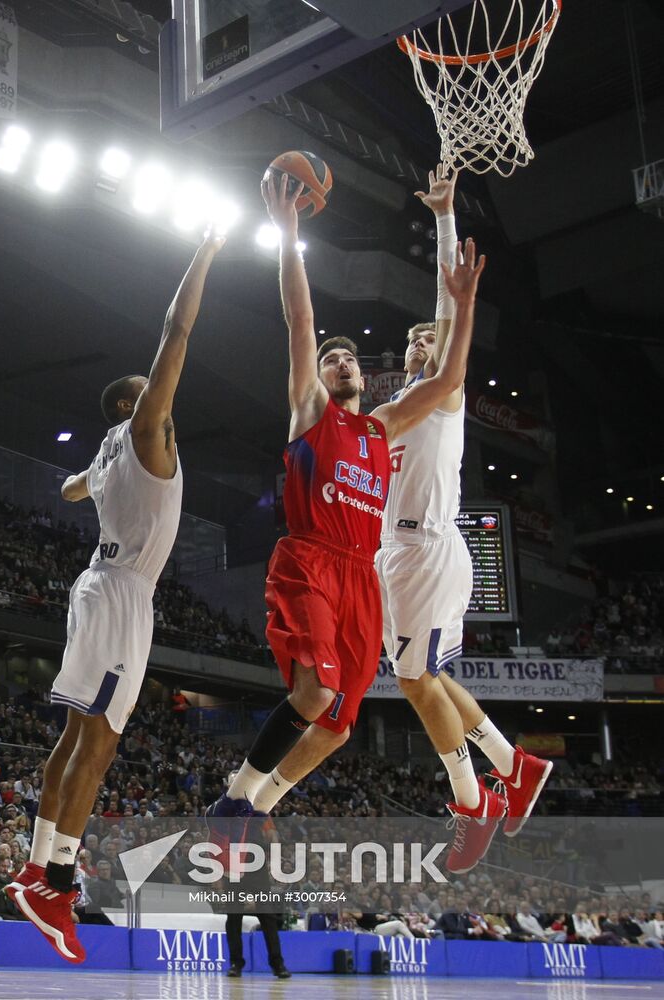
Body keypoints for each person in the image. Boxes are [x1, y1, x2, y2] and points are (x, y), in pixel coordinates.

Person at [207, 172, 485, 827]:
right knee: (318, 688)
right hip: (310, 559)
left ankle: (261, 804)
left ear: (363, 374)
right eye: (331, 359)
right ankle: (236, 795)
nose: (340, 363)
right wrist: (289, 230)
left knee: (336, 726)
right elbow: (299, 317)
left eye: (348, 358)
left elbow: (448, 375)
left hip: (365, 574)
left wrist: (464, 303)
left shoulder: (381, 426)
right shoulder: (310, 412)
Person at [10, 231, 225, 963]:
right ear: (137, 403)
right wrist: (205, 251)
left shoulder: (108, 452)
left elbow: (71, 487)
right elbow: (178, 329)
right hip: (122, 592)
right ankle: (56, 884)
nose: (169, 403)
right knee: (98, 746)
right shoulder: (141, 429)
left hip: (102, 586)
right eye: (155, 393)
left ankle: (36, 870)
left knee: (76, 739)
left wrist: (88, 479)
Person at [375, 165, 552, 874]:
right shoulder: (401, 411)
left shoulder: (441, 396)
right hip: (411, 553)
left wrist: (446, 216)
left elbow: (448, 313)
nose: (420, 346)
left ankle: (472, 800)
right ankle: (516, 765)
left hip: (423, 551)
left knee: (416, 684)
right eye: (414, 343)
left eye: (428, 340)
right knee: (429, 677)